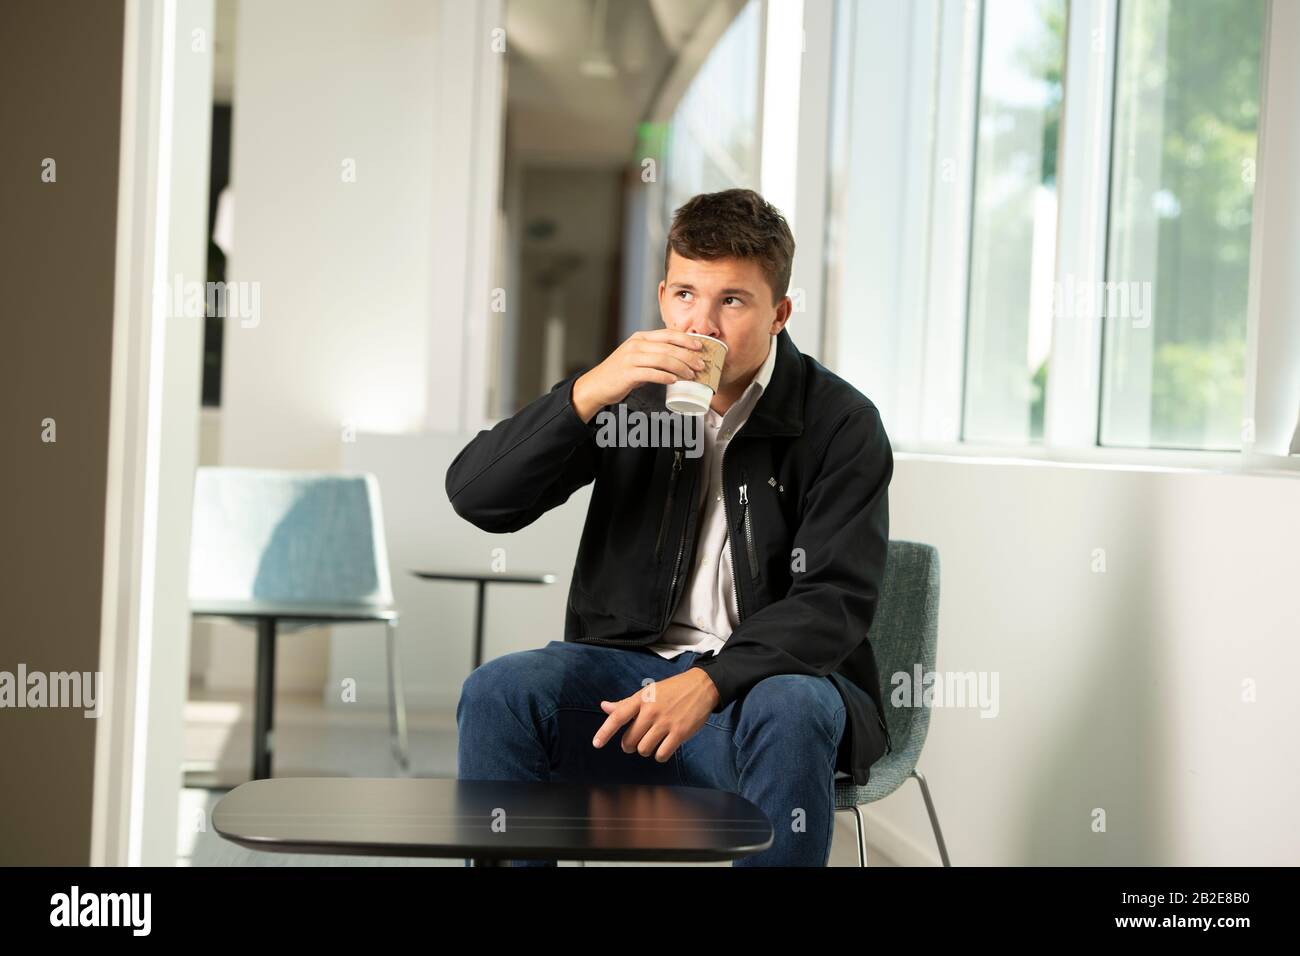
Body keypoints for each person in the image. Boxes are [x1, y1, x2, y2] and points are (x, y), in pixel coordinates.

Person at [447, 188, 893, 866]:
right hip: (625, 686)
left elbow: (833, 601)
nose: (702, 325)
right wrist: (586, 392)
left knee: (795, 707)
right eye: (685, 295)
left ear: (780, 313)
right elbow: (479, 497)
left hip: (754, 697)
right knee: (499, 693)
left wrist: (712, 681)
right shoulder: (627, 396)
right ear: (661, 296)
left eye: (732, 302)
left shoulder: (840, 423)